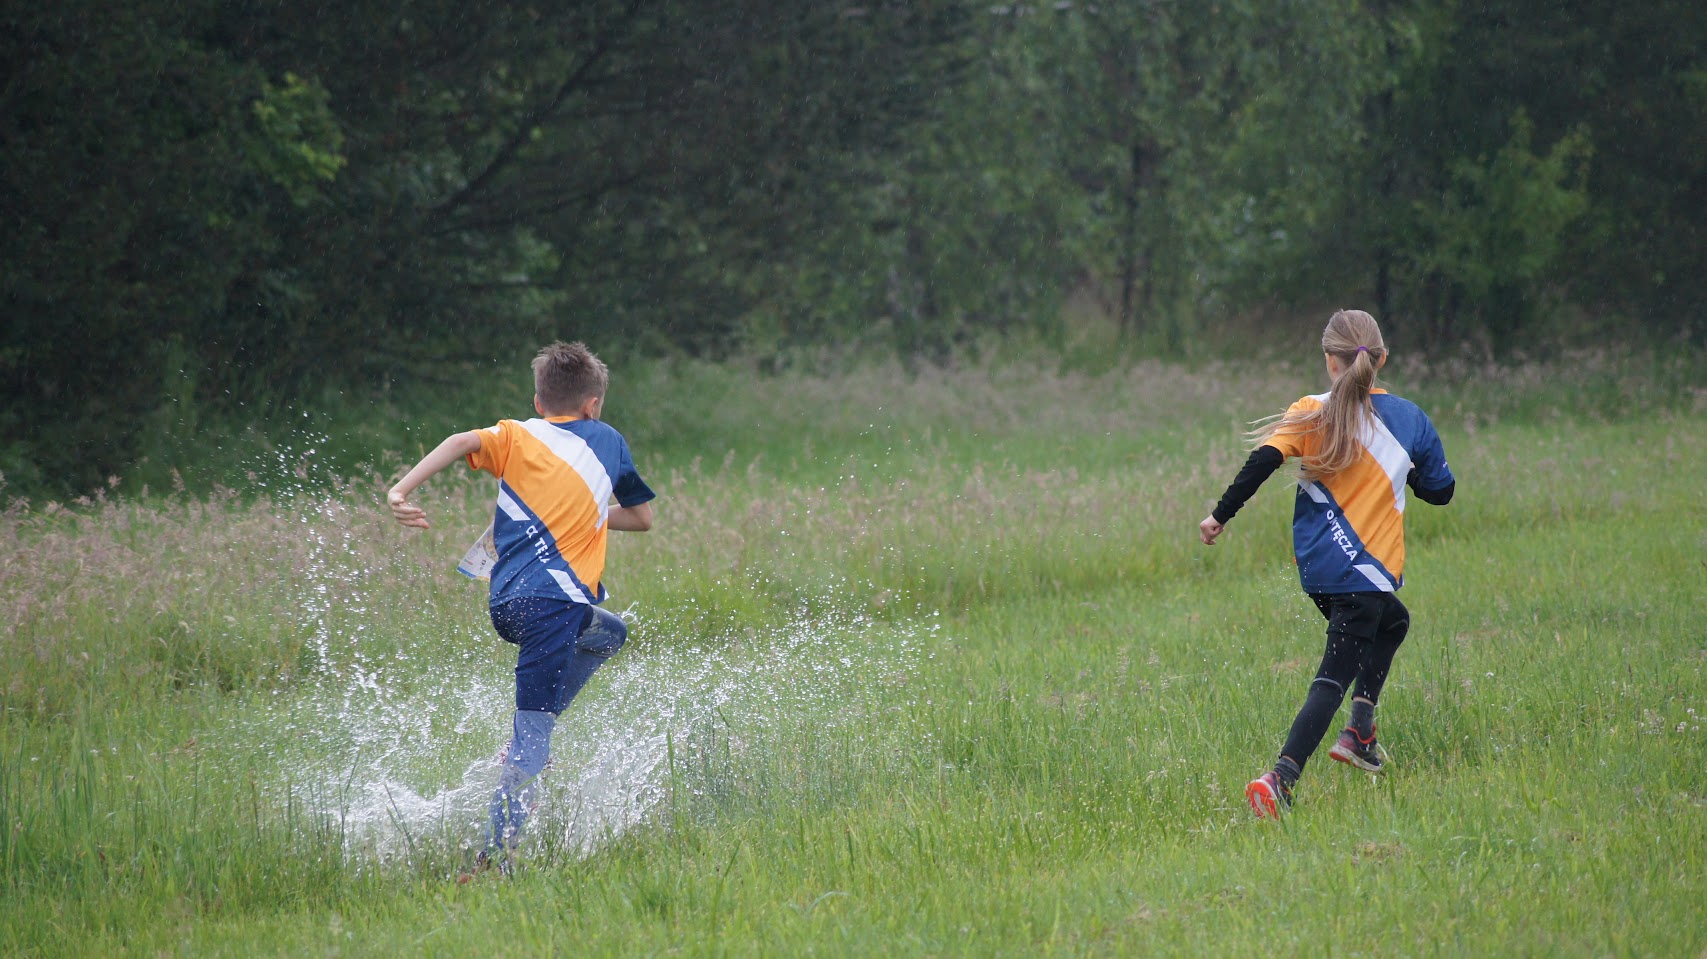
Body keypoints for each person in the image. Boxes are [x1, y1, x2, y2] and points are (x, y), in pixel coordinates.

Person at [387, 341, 655, 859]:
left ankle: (531, 740)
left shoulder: (514, 435)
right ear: (593, 404)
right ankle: (493, 858)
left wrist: (401, 491)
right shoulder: (608, 441)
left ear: (538, 401)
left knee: (609, 633)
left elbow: (461, 439)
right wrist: (592, 512)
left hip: (507, 604)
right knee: (533, 741)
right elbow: (642, 519)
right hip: (554, 606)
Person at [1198, 309, 1454, 819]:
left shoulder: (1309, 409)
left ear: (1329, 361)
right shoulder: (1408, 418)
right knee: (1333, 676)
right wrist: (1407, 476)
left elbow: (1264, 461)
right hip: (1367, 574)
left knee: (1395, 622)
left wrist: (1219, 515)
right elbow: (1442, 492)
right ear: (1380, 359)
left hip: (1318, 572)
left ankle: (1360, 729)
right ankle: (1281, 779)